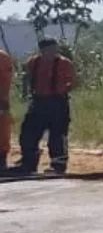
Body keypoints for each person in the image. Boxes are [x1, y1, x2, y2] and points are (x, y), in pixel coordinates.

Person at [17, 37, 75, 175]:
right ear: (42, 50)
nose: (53, 52)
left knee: (57, 135)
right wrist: (27, 94)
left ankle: (58, 166)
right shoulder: (33, 62)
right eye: (49, 49)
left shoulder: (64, 63)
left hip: (57, 103)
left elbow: (73, 81)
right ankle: (28, 164)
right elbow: (27, 78)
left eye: (55, 49)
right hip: (38, 102)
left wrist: (62, 90)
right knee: (28, 133)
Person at [0, 43, 12, 165]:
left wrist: (3, 99)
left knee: (2, 130)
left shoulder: (2, 57)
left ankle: (1, 161)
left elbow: (5, 81)